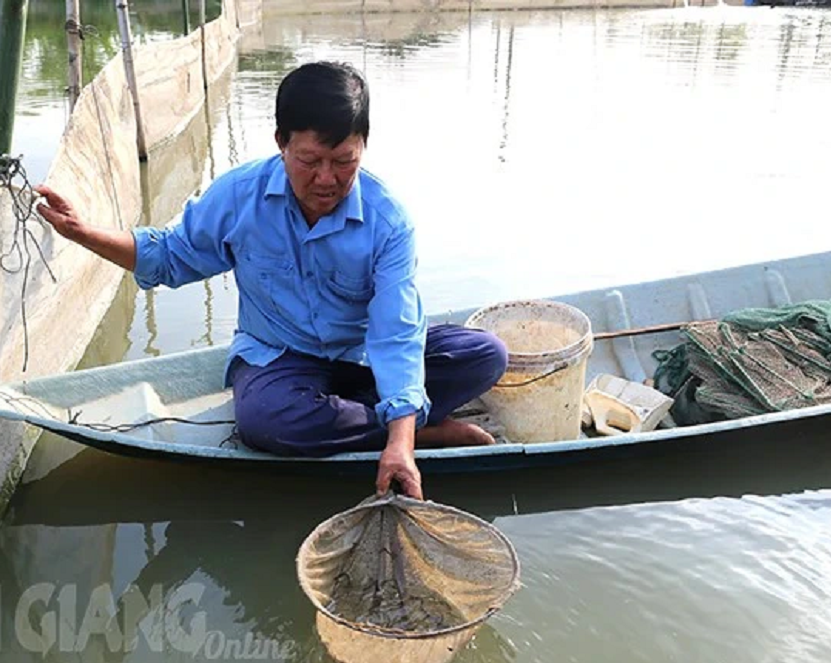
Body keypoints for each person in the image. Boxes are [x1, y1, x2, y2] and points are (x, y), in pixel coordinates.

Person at [36, 61, 507, 500]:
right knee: (266, 421)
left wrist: (397, 444)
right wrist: (82, 232)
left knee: (485, 354)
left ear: (363, 146)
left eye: (344, 161)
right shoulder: (241, 196)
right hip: (280, 357)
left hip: (362, 357)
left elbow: (395, 333)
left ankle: (382, 423)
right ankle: (418, 429)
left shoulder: (388, 222)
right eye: (310, 160)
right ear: (281, 142)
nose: (327, 179)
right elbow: (170, 256)